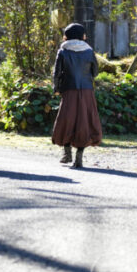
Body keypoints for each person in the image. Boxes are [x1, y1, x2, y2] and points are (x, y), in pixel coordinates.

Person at [51, 23, 103, 169]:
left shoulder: (63, 50)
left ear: (67, 35)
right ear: (81, 35)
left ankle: (67, 153)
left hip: (69, 90)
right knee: (85, 121)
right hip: (86, 91)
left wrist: (56, 88)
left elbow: (57, 73)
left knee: (67, 120)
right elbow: (95, 72)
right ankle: (79, 157)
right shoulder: (89, 51)